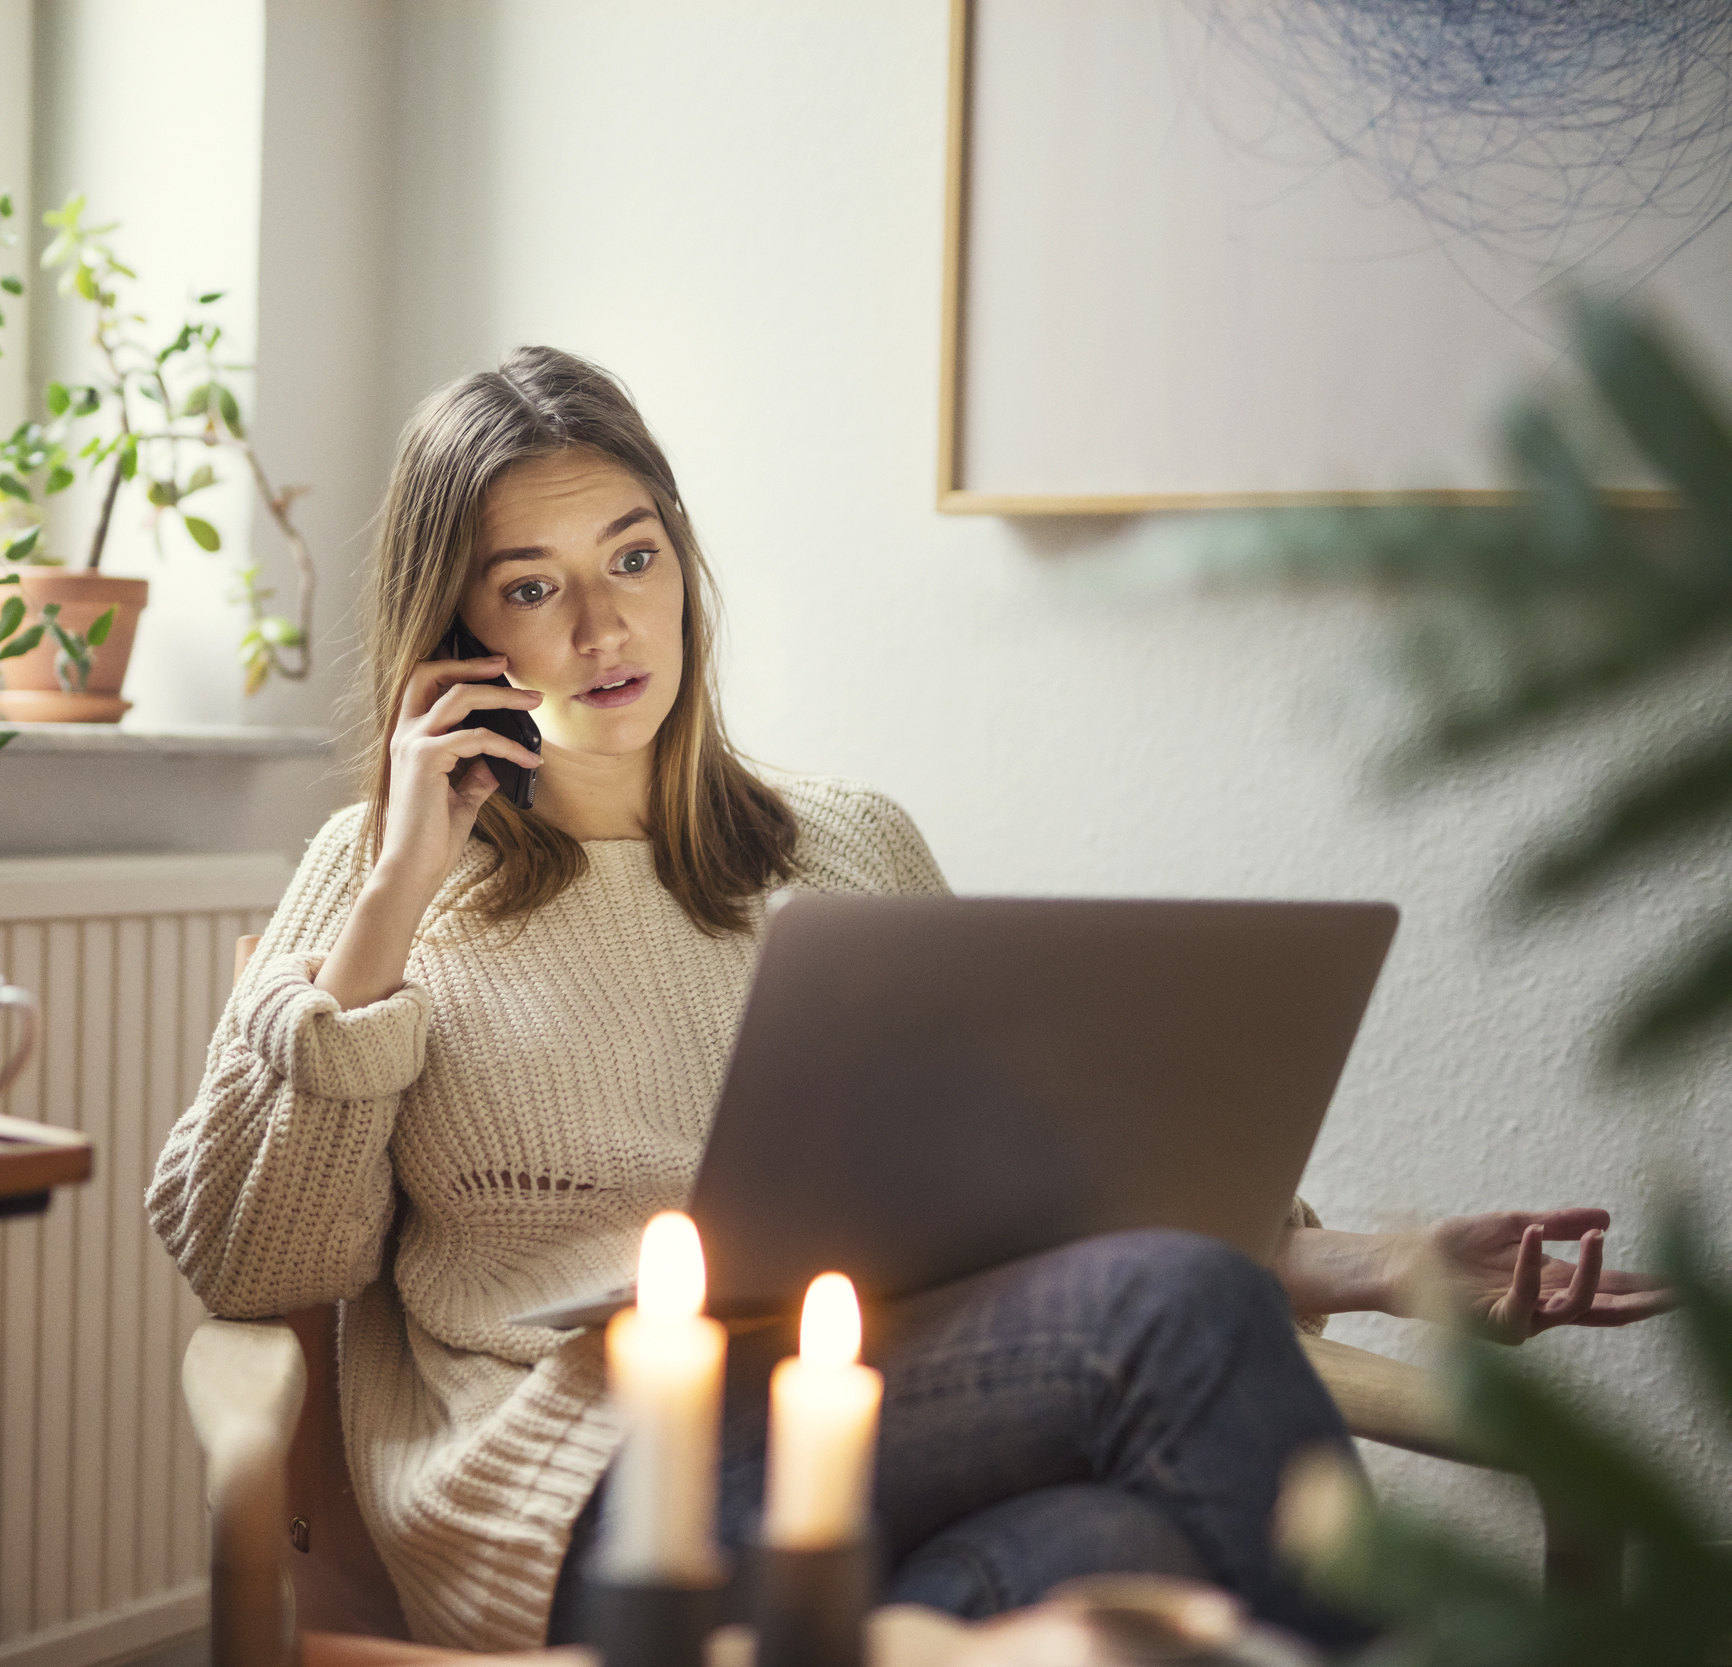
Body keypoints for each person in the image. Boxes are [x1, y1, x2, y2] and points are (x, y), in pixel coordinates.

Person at [146, 348, 1670, 1655]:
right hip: (596, 1494)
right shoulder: (379, 875)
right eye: (534, 588)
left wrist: (1384, 1265)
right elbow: (250, 1256)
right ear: (456, 635)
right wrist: (396, 896)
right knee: (1173, 1320)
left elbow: (1029, 1202)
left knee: (1114, 1550)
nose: (605, 628)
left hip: (878, 1421)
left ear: (683, 569)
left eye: (634, 558)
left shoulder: (846, 845)